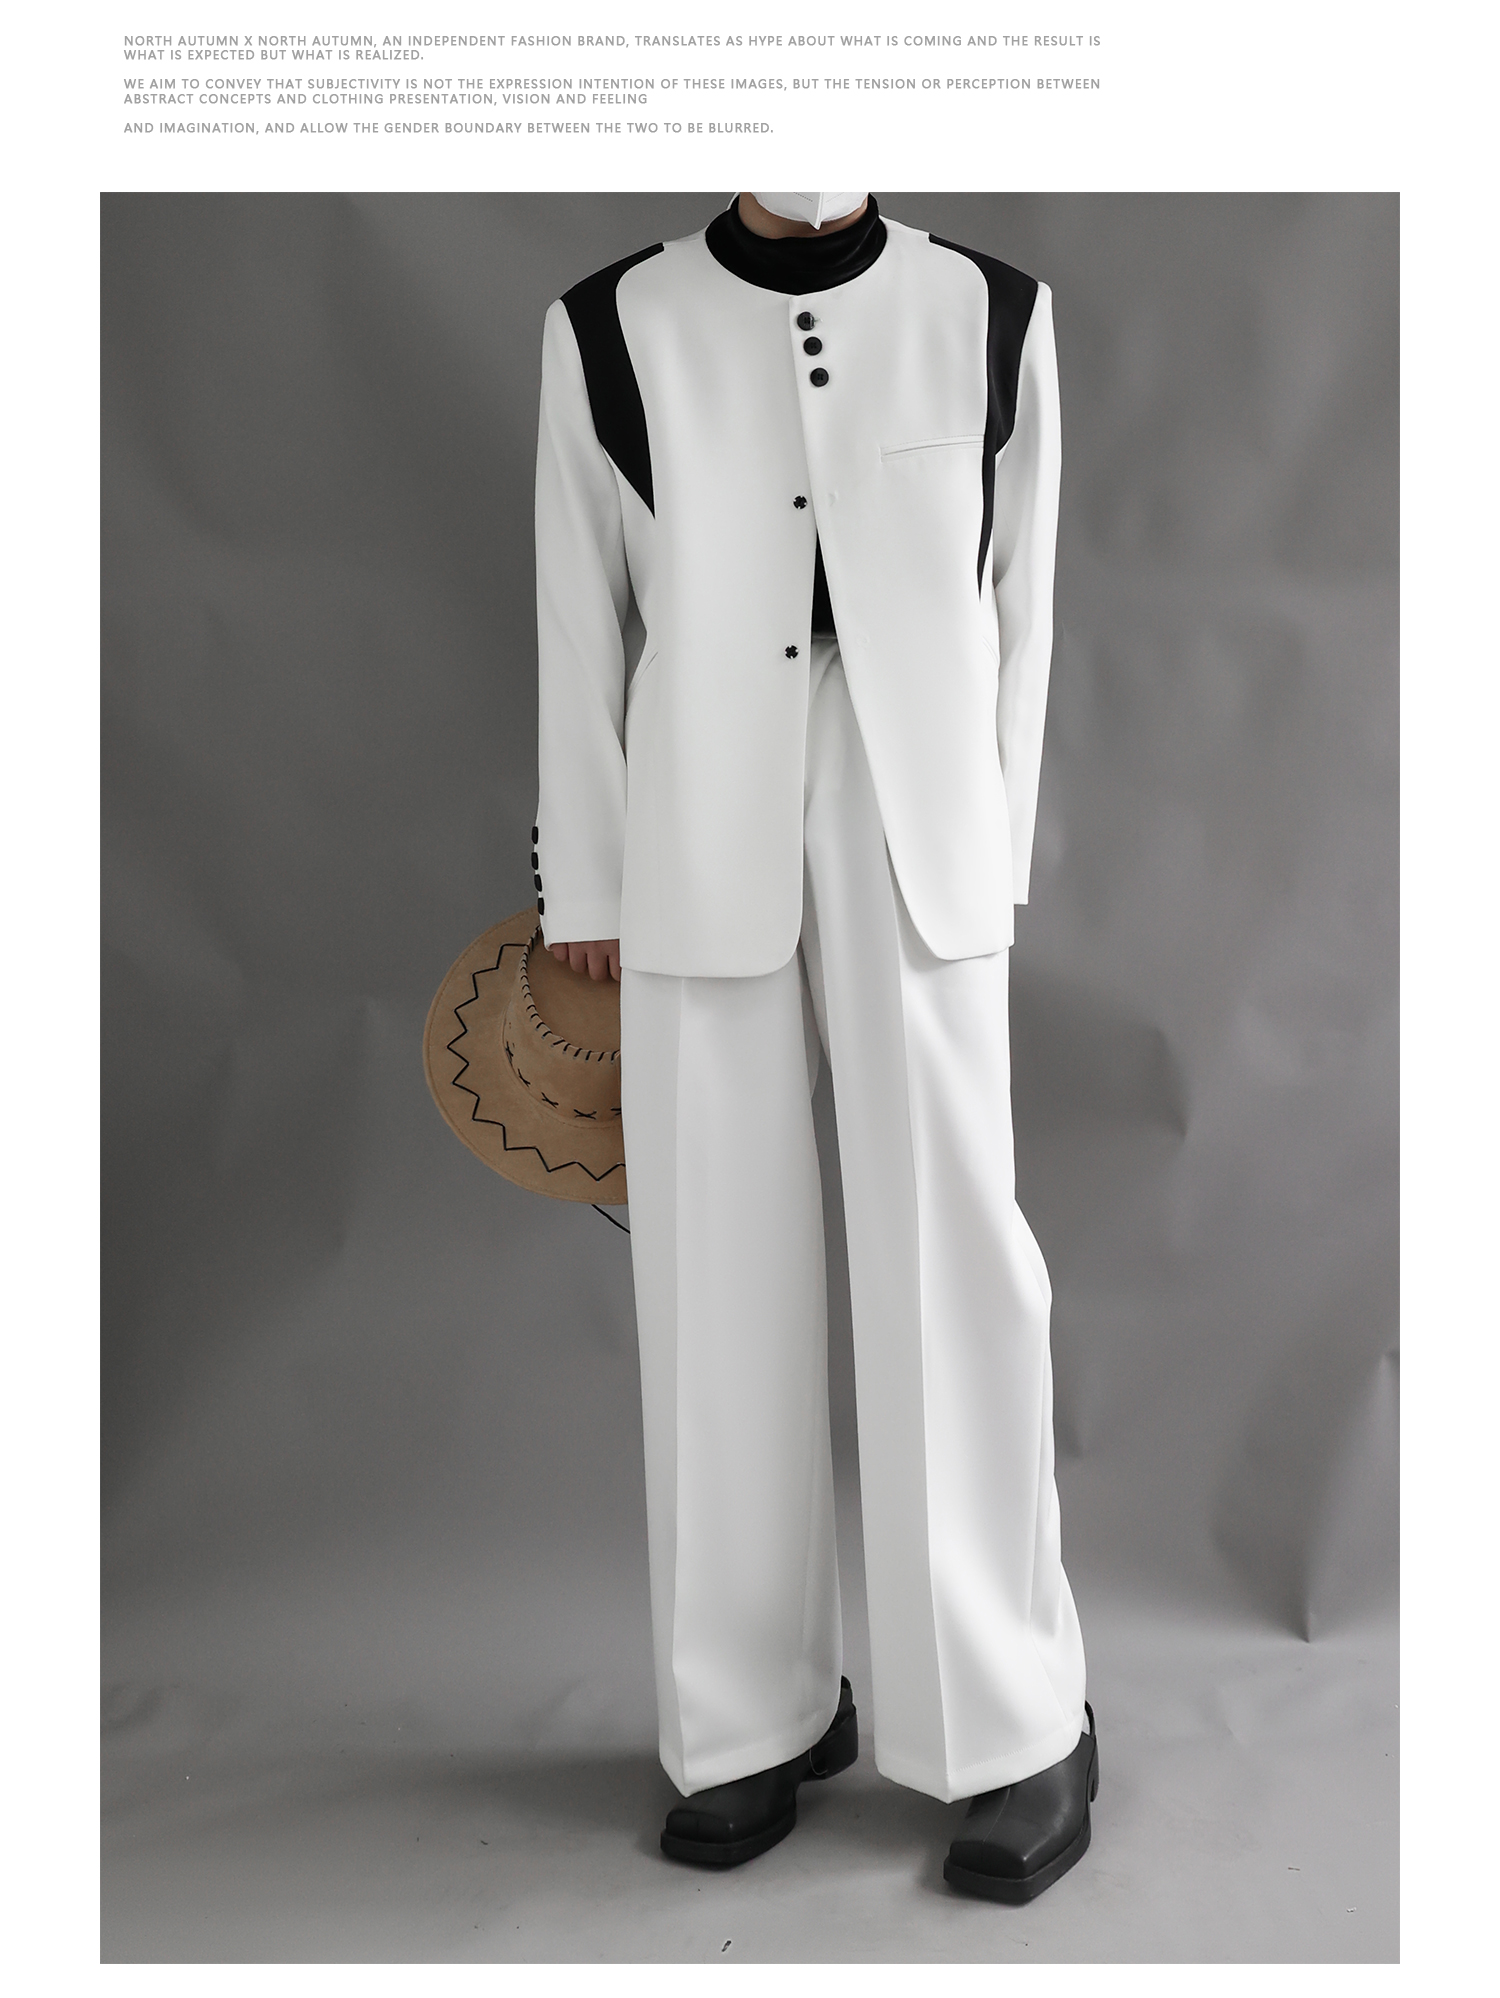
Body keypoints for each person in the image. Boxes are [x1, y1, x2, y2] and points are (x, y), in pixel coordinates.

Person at [531, 191, 1095, 1902]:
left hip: (918, 820)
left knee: (953, 1264)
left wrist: (992, 850)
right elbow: (577, 612)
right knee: (714, 1268)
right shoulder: (614, 325)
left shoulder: (990, 312)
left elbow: (1022, 598)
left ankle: (1015, 1718)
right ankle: (750, 1713)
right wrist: (588, 879)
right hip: (698, 803)